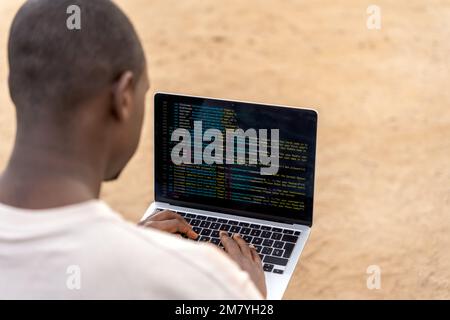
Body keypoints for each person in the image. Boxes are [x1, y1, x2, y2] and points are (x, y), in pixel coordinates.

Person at [0, 0, 266, 299]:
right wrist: (247, 295)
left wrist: (128, 246)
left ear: (14, 86)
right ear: (123, 97)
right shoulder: (204, 282)